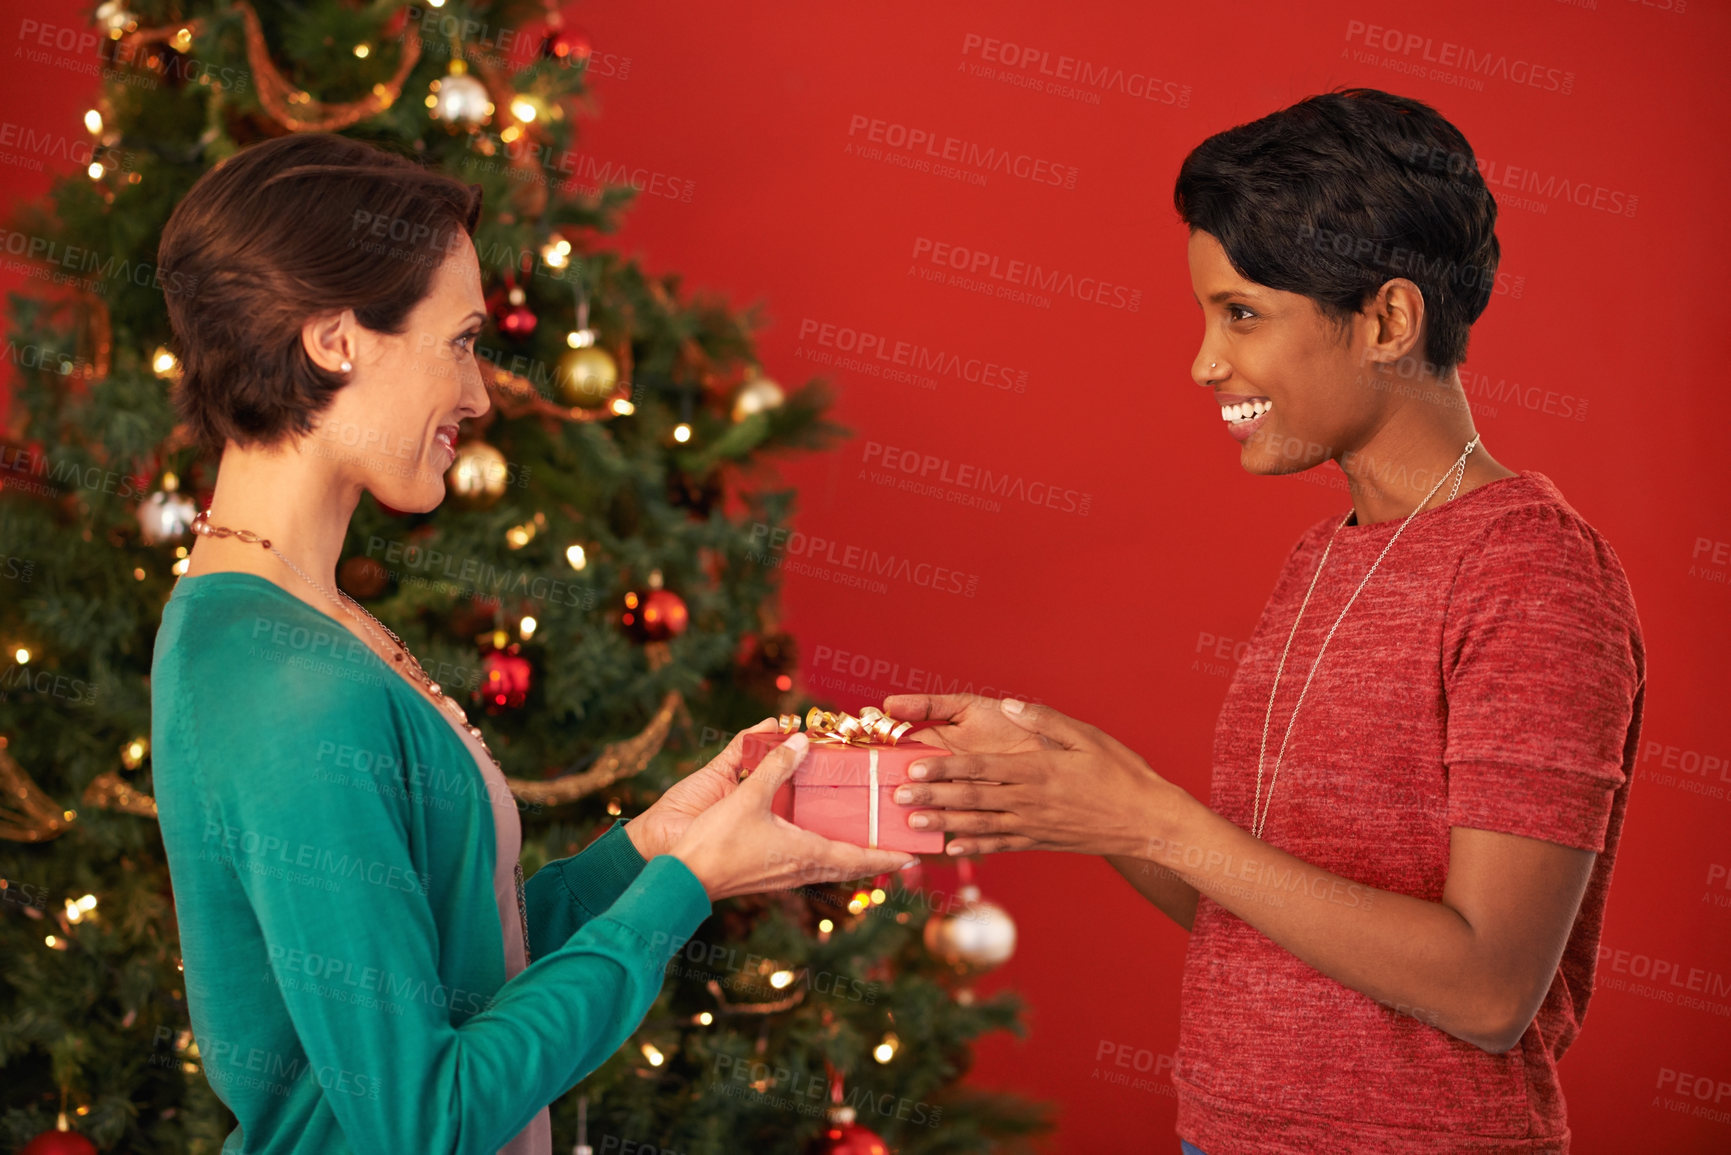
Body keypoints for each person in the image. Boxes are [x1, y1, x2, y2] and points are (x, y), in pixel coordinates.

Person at [883, 89, 1645, 1153]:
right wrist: (1077, 782)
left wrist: (1150, 815)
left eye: (1242, 313)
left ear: (1387, 321)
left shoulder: (1532, 575)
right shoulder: (1325, 555)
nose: (1205, 361)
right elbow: (1270, 921)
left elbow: (1486, 988)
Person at [148, 131, 912, 1155]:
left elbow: (460, 978)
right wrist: (687, 893)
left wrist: (655, 851)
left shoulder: (302, 623)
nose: (480, 394)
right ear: (338, 340)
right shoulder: (281, 675)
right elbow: (425, 1120)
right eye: (460, 341)